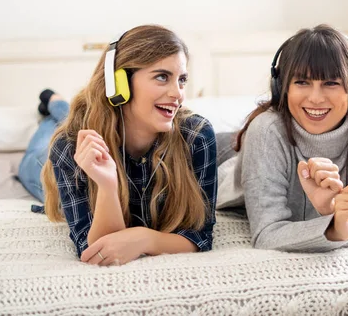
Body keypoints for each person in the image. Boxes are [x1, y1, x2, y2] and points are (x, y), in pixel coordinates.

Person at [18, 25, 217, 265]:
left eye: (182, 79)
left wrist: (144, 239)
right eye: (162, 77)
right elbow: (96, 250)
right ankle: (55, 104)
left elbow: (200, 236)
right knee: (39, 154)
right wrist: (107, 185)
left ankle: (59, 104)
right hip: (45, 163)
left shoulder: (197, 136)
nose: (178, 94)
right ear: (118, 84)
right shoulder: (68, 146)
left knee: (70, 115)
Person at [234, 24, 348, 252]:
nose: (316, 98)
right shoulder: (266, 131)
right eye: (302, 82)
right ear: (282, 88)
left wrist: (332, 214)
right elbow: (267, 235)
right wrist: (333, 228)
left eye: (331, 83)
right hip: (230, 158)